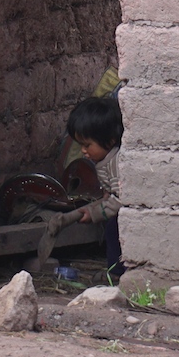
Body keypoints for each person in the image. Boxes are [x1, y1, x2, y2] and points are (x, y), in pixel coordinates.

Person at [65, 96, 125, 278]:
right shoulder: (104, 161)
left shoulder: (116, 164)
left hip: (123, 213)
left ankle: (117, 273)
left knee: (113, 230)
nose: (83, 150)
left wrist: (96, 213)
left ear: (110, 140)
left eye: (87, 145)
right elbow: (108, 196)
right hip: (115, 208)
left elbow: (120, 199)